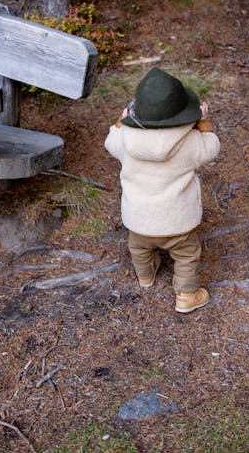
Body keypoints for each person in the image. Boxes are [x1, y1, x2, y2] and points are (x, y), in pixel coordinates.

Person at [104, 66, 220, 314]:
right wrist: (204, 123)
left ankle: (145, 276)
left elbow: (110, 140)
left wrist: (120, 120)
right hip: (178, 221)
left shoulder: (124, 139)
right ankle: (187, 295)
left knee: (138, 247)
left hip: (138, 220)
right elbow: (212, 148)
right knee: (187, 255)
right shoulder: (190, 142)